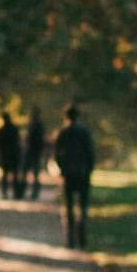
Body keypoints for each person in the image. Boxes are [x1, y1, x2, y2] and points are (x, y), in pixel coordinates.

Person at [52, 103, 97, 249]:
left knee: (69, 207)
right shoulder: (84, 132)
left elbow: (57, 154)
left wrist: (62, 168)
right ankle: (82, 238)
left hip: (68, 174)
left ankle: (70, 240)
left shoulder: (63, 132)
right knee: (83, 207)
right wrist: (89, 169)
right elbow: (90, 153)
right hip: (83, 173)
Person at [0, 110, 23, 199]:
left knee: (5, 175)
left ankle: (4, 192)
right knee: (14, 175)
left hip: (5, 155)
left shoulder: (1, 130)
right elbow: (18, 141)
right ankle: (16, 193)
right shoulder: (14, 129)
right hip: (13, 155)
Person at [22, 108, 48, 200]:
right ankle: (33, 193)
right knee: (34, 174)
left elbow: (27, 139)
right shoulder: (38, 126)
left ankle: (23, 192)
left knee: (27, 173)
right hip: (35, 152)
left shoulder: (31, 126)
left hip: (31, 152)